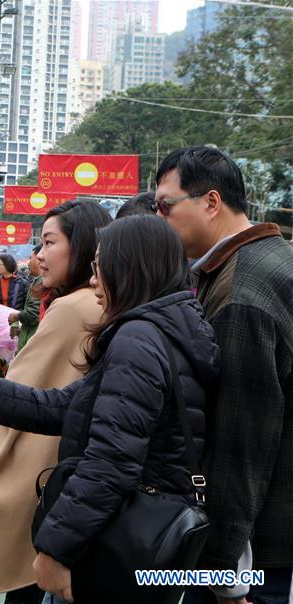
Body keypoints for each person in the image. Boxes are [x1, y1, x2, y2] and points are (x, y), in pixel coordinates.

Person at [0, 215, 219, 604]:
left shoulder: (138, 339)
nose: (95, 280)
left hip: (112, 542)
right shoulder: (171, 330)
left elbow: (110, 461)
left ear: (129, 269)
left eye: (102, 268)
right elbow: (66, 405)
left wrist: (55, 548)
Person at [155, 146, 293, 604]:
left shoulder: (242, 291)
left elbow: (241, 440)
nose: (160, 219)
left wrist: (223, 574)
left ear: (211, 203)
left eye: (165, 206)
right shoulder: (262, 261)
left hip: (253, 550)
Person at [0, 201, 112, 604]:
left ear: (82, 248)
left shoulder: (71, 308)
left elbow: (23, 390)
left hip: (48, 486)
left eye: (49, 243)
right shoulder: (102, 307)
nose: (39, 256)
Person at [10, 245, 44, 351]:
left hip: (31, 346)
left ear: (40, 258)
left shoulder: (40, 282)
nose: (28, 262)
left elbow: (32, 315)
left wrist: (16, 316)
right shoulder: (37, 280)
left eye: (30, 258)